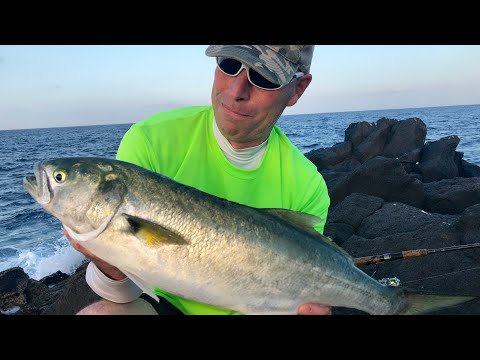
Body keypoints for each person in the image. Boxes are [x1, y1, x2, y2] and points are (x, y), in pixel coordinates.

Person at [65, 45, 332, 315]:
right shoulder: (151, 140)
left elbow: (287, 298)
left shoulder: (307, 185)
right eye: (229, 65)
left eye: (264, 77)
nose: (236, 91)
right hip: (164, 306)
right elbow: (124, 295)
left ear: (297, 90)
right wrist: (110, 264)